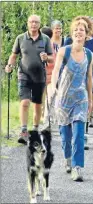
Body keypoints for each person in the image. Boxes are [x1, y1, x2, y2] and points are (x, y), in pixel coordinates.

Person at [51, 16, 93, 181]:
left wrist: (90, 99)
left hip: (80, 98)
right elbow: (56, 70)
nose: (78, 32)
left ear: (86, 34)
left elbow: (89, 78)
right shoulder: (64, 51)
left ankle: (77, 167)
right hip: (63, 98)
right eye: (76, 30)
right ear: (72, 33)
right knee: (65, 135)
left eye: (81, 30)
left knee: (78, 134)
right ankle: (68, 157)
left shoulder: (88, 55)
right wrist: (53, 86)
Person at [4, 15, 54, 144]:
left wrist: (46, 58)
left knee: (37, 104)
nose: (33, 24)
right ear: (28, 23)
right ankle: (24, 130)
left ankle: (35, 130)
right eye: (31, 22)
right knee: (25, 102)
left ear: (39, 24)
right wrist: (10, 65)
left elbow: (52, 57)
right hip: (24, 75)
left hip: (40, 76)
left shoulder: (45, 39)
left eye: (36, 22)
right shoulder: (20, 38)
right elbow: (14, 55)